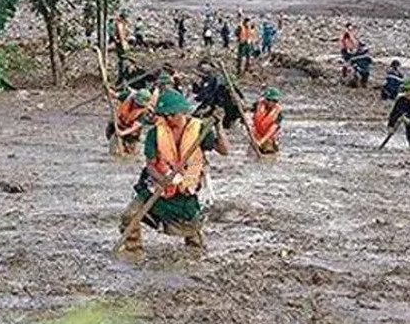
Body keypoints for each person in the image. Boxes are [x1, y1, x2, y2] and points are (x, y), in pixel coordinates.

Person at [119, 90, 228, 254]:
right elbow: (150, 164)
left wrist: (219, 126)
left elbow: (224, 150)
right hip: (157, 183)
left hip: (186, 186)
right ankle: (133, 250)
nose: (169, 119)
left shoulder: (199, 129)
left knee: (192, 228)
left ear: (182, 112)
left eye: (172, 114)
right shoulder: (155, 133)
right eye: (165, 115)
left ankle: (195, 254)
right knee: (130, 215)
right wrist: (162, 179)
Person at [108, 88, 154, 156]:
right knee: (114, 151)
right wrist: (108, 90)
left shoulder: (144, 113)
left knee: (131, 153)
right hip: (117, 125)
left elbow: (135, 127)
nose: (136, 106)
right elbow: (115, 95)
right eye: (136, 103)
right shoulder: (128, 96)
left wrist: (122, 133)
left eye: (139, 105)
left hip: (130, 133)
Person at [251, 87, 284, 155]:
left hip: (269, 138)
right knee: (251, 154)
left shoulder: (278, 113)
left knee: (269, 153)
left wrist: (261, 142)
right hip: (256, 136)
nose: (271, 103)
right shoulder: (257, 105)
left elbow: (272, 130)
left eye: (274, 101)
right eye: (269, 100)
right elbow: (248, 115)